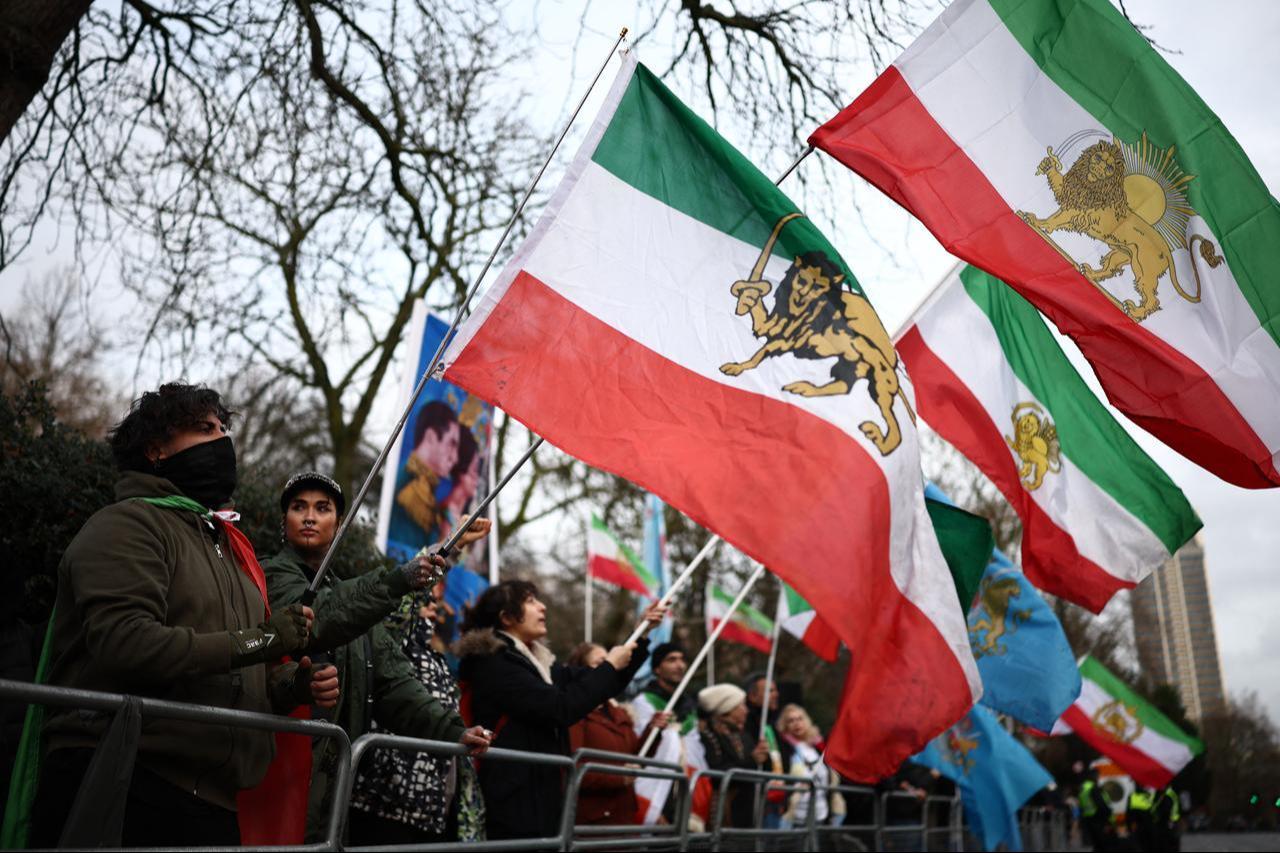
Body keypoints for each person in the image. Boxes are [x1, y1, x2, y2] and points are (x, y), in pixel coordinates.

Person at [30, 383, 327, 848]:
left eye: (224, 428)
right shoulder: (128, 525)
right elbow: (127, 644)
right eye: (204, 429)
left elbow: (230, 675)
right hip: (126, 781)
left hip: (214, 804)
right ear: (155, 449)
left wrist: (290, 689)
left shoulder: (228, 548)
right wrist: (264, 642)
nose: (222, 440)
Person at [262, 471, 492, 843]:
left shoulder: (356, 599)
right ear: (283, 520)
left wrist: (454, 730)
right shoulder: (272, 574)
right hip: (279, 769)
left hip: (332, 779)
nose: (308, 517)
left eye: (322, 509)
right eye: (297, 507)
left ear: (338, 525)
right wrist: (397, 580)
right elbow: (319, 616)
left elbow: (394, 683)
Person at [455, 580, 664, 840]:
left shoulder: (538, 664)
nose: (543, 607)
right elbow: (560, 708)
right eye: (530, 601)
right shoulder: (494, 662)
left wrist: (641, 634)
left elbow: (597, 683)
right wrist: (609, 665)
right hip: (512, 805)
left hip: (541, 801)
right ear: (506, 617)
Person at [348, 588, 486, 843]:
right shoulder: (395, 638)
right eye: (425, 602)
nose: (434, 608)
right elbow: (399, 593)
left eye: (435, 603)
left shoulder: (434, 654)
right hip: (387, 797)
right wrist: (447, 551)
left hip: (429, 804)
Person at [566, 643, 673, 825]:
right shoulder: (574, 713)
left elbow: (637, 756)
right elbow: (572, 768)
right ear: (580, 671)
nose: (612, 666)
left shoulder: (619, 714)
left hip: (624, 814)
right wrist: (619, 778)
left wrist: (652, 730)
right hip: (594, 820)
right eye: (602, 662)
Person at [697, 684, 771, 829]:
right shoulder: (707, 736)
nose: (746, 710)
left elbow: (763, 769)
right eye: (741, 705)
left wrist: (765, 757)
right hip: (723, 815)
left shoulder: (744, 736)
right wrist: (752, 760)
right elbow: (716, 772)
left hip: (748, 813)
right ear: (727, 709)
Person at [397, 402, 461, 535]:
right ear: (431, 437)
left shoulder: (427, 489)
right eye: (452, 444)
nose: (454, 458)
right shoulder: (409, 489)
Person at [776, 704, 832, 829]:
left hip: (820, 814)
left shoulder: (817, 747)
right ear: (785, 726)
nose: (796, 723)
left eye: (800, 719)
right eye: (791, 721)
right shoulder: (785, 749)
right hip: (795, 816)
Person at [630, 642, 698, 735]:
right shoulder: (644, 701)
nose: (680, 666)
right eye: (672, 660)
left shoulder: (690, 705)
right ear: (657, 669)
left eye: (682, 660)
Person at [1079, 767, 1114, 852]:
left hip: (1089, 820)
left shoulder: (1084, 788)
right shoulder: (1094, 788)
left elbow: (1082, 806)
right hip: (1099, 820)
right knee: (1105, 846)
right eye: (1099, 776)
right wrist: (1108, 820)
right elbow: (1101, 805)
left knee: (1097, 846)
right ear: (1095, 776)